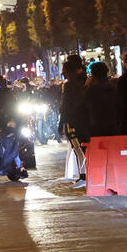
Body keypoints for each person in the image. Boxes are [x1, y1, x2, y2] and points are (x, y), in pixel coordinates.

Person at [59, 55, 88, 189]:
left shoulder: (70, 86)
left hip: (73, 121)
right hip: (87, 120)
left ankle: (83, 176)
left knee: (78, 148)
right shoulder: (87, 81)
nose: (62, 72)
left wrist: (61, 124)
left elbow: (65, 107)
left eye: (64, 70)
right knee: (84, 148)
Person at [81, 62, 121, 138]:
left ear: (94, 75)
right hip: (113, 128)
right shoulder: (114, 89)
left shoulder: (92, 91)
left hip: (97, 130)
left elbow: (82, 106)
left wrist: (86, 86)